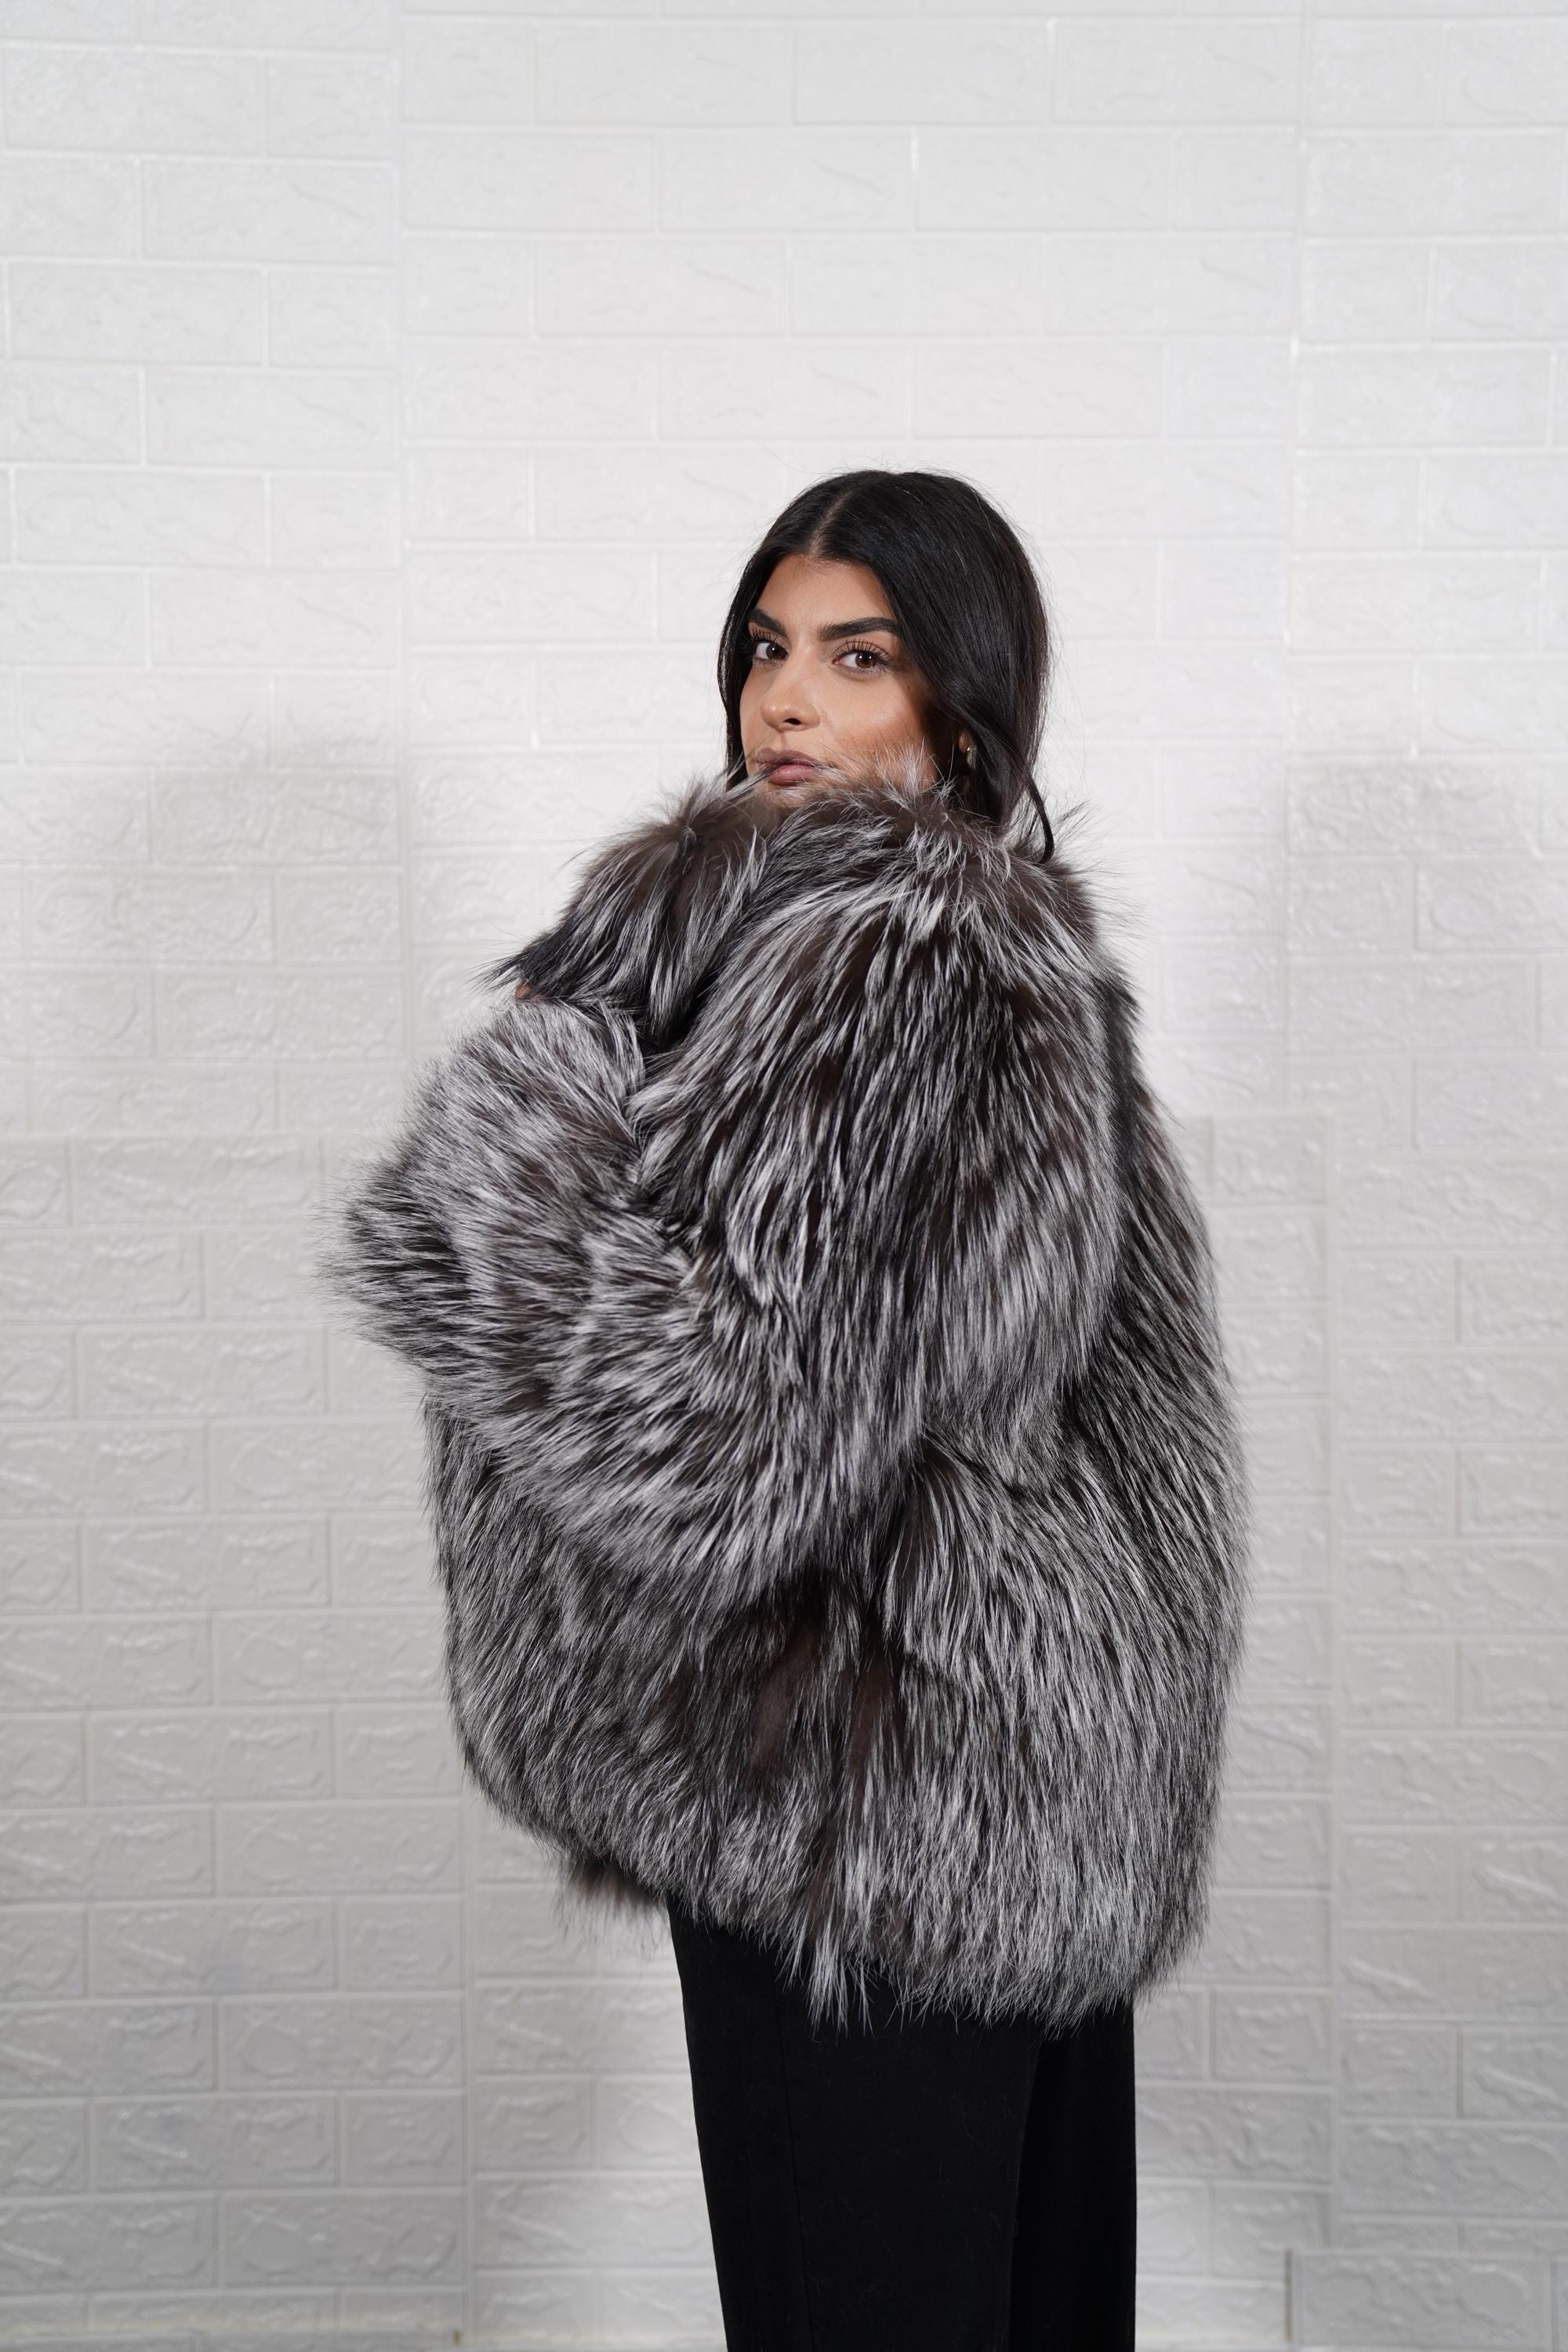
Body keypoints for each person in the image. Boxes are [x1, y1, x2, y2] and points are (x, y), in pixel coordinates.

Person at [314, 468, 1251, 2350]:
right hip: (995, 1787)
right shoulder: (954, 955)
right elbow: (1106, 1413)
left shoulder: (890, 959)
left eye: (859, 656)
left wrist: (509, 1134)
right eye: (766, 649)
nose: (788, 701)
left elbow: (715, 1439)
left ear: (960, 709)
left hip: (858, 1810)